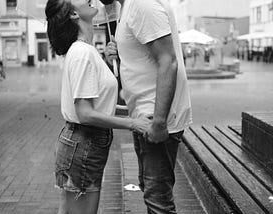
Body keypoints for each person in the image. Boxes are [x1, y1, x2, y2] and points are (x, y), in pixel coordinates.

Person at [45, 0, 151, 214]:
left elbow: (99, 105)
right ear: (74, 14)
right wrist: (133, 123)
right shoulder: (83, 52)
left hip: (80, 144)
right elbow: (85, 114)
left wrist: (135, 111)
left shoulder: (86, 51)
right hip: (84, 145)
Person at [101, 0, 193, 213]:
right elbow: (143, 58)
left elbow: (168, 61)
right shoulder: (127, 7)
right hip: (144, 117)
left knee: (158, 202)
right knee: (150, 191)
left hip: (155, 118)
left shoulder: (142, 4)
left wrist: (159, 122)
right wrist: (117, 54)